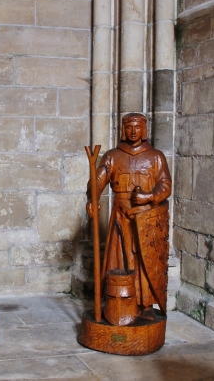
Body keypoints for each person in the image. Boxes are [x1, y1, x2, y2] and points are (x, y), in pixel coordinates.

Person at [86, 113, 172, 319]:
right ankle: (118, 302)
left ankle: (145, 304)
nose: (133, 131)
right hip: (120, 216)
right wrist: (92, 197)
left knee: (143, 259)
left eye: (137, 127)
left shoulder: (155, 157)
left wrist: (149, 196)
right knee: (120, 258)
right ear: (123, 130)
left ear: (144, 129)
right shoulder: (113, 156)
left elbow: (166, 185)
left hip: (144, 219)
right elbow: (97, 182)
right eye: (129, 127)